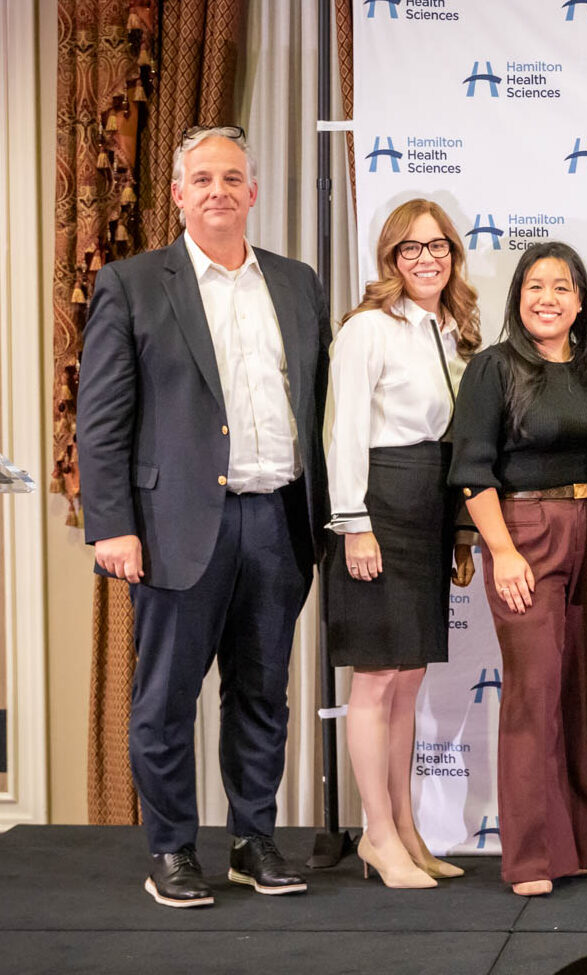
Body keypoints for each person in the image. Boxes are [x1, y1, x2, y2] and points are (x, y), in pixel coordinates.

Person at [77, 125, 329, 908]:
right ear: (179, 194)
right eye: (203, 178)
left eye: (233, 177)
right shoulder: (132, 283)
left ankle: (255, 840)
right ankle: (174, 850)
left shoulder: (296, 282)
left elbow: (317, 403)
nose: (219, 190)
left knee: (262, 695)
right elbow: (102, 419)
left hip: (278, 519)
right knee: (166, 698)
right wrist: (111, 524)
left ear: (253, 192)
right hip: (175, 527)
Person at [450, 241, 587, 897]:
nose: (548, 297)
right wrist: (501, 550)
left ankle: (576, 845)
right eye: (534, 286)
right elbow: (472, 470)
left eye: (561, 286)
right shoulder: (494, 368)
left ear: (581, 300)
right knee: (533, 692)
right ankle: (529, 856)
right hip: (525, 532)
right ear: (517, 298)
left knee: (584, 694)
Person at [324, 199, 480, 889]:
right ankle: (376, 834)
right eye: (410, 248)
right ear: (390, 258)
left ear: (453, 255)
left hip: (429, 500)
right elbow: (344, 430)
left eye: (438, 246)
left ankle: (407, 828)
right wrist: (354, 522)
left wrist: (459, 528)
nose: (426, 259)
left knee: (410, 675)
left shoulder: (453, 329)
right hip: (378, 501)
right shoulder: (368, 329)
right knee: (377, 675)